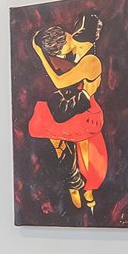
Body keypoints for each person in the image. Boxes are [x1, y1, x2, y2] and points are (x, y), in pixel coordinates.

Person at [25, 15, 107, 213]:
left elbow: (60, 81)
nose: (61, 58)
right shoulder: (74, 43)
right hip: (74, 108)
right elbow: (42, 39)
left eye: (59, 54)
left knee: (90, 162)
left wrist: (40, 55)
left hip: (87, 116)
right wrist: (42, 45)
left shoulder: (91, 61)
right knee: (43, 122)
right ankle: (75, 182)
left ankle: (82, 187)